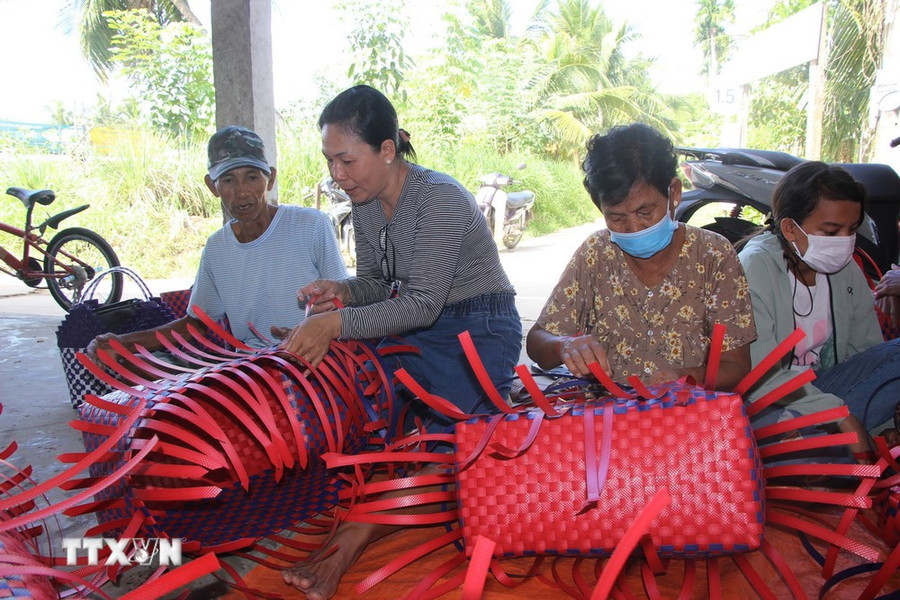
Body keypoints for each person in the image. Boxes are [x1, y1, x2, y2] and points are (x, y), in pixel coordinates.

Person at [280, 84, 521, 599]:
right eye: (330, 161)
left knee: (443, 448)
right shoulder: (365, 203)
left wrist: (334, 324)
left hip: (479, 328)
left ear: (387, 150)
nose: (337, 176)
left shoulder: (440, 198)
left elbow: (421, 303)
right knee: (364, 407)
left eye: (347, 160)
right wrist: (340, 291)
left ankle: (348, 545)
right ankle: (359, 513)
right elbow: (376, 284)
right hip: (417, 326)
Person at [526, 123, 756, 391]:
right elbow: (537, 342)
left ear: (674, 193)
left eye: (646, 212)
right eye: (617, 217)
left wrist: (686, 376)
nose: (634, 229)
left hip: (688, 420)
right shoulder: (596, 254)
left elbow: (737, 367)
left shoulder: (712, 255)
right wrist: (564, 346)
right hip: (610, 419)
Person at [87, 125, 348, 360]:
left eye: (252, 177)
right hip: (251, 368)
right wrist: (123, 344)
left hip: (313, 358)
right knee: (151, 377)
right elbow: (197, 324)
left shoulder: (310, 225)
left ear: (271, 177)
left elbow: (346, 300)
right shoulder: (217, 249)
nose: (242, 191)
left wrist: (312, 330)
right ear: (213, 187)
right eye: (228, 180)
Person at [738, 161, 900, 455]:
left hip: (827, 392)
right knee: (806, 443)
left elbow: (864, 356)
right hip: (770, 401)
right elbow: (758, 375)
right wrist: (840, 416)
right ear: (790, 228)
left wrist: (874, 426)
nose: (845, 242)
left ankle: (838, 442)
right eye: (831, 231)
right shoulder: (756, 265)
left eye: (851, 230)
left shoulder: (846, 268)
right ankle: (824, 444)